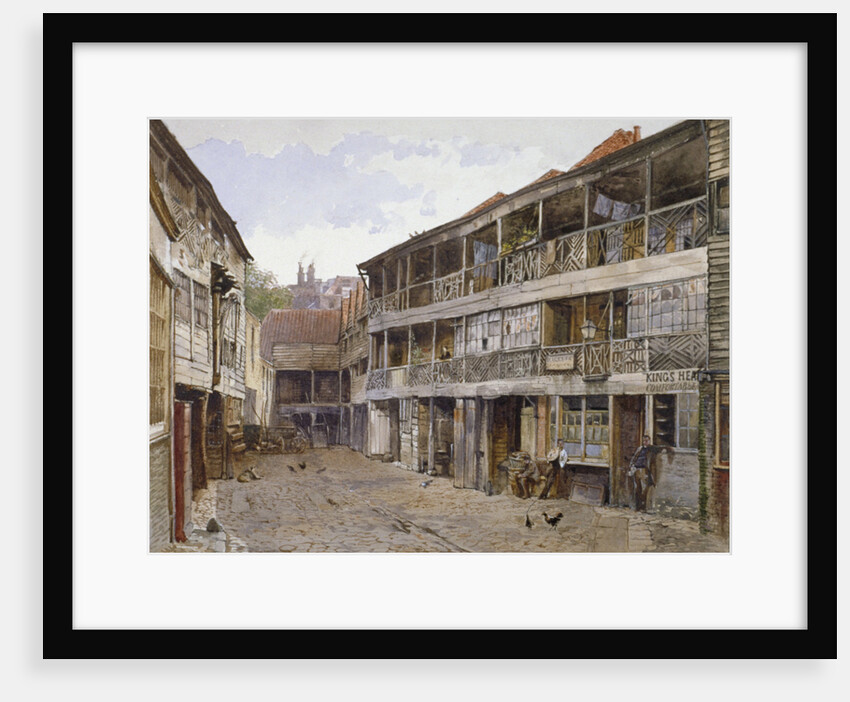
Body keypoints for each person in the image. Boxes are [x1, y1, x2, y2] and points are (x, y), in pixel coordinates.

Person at [627, 435, 662, 512]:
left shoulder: (651, 450)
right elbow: (634, 458)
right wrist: (632, 466)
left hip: (644, 470)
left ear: (649, 441)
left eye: (647, 441)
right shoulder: (640, 449)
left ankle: (644, 507)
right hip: (636, 470)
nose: (645, 442)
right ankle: (638, 507)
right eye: (644, 441)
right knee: (637, 488)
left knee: (645, 489)